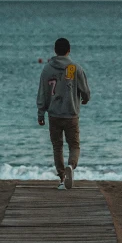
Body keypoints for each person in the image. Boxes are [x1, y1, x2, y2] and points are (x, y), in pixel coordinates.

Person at [37, 37, 91, 189]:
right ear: (69, 50)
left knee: (57, 146)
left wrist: (41, 113)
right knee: (74, 145)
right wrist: (85, 99)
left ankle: (62, 178)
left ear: (55, 51)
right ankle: (71, 167)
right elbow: (85, 90)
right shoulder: (76, 68)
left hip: (54, 114)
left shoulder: (47, 69)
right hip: (71, 114)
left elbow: (43, 93)